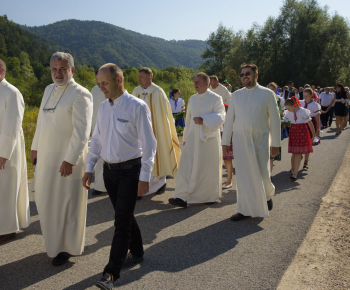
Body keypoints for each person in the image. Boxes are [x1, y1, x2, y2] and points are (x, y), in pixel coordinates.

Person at [82, 63, 157, 289]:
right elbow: (96, 140)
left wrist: (145, 176)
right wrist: (89, 166)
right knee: (123, 215)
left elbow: (150, 144)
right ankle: (137, 251)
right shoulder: (104, 108)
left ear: (119, 79)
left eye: (105, 83)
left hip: (130, 171)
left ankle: (110, 274)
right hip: (109, 171)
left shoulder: (137, 107)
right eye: (99, 84)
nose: (101, 87)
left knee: (120, 222)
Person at [30, 52, 93, 265]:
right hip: (46, 157)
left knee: (67, 204)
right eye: (54, 69)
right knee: (45, 200)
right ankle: (53, 243)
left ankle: (66, 249)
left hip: (67, 161)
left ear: (72, 70)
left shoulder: (81, 94)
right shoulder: (48, 89)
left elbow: (82, 132)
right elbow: (41, 122)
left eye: (62, 69)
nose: (58, 73)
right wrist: (34, 147)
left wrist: (71, 159)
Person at [222, 64, 281, 221]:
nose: (244, 77)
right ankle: (244, 209)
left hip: (260, 140)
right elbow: (229, 120)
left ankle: (267, 196)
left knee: (263, 173)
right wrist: (225, 142)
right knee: (243, 176)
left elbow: (275, 120)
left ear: (256, 74)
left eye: (247, 73)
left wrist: (276, 143)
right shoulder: (235, 95)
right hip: (241, 141)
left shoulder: (268, 94)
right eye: (242, 74)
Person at [169, 72, 225, 208]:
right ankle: (181, 196)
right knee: (186, 166)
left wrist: (204, 120)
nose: (195, 85)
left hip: (208, 140)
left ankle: (208, 196)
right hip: (193, 138)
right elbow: (188, 120)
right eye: (194, 82)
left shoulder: (216, 98)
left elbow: (221, 116)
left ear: (207, 83)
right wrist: (186, 136)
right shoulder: (192, 99)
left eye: (198, 82)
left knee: (206, 168)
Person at [132, 67, 180, 196]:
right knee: (141, 157)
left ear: (150, 77)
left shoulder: (158, 92)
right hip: (140, 131)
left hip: (156, 131)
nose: (139, 79)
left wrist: (163, 130)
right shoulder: (135, 91)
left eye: (141, 77)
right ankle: (143, 187)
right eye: (138, 77)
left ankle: (159, 184)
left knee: (159, 155)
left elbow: (165, 114)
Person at [0, 58, 30, 244]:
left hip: (6, 151)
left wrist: (4, 153)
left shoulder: (12, 92)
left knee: (6, 189)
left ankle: (8, 228)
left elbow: (12, 125)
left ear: (1, 70)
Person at [283, 96, 315, 181]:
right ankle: (293, 169)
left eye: (289, 108)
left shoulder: (303, 111)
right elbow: (284, 122)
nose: (288, 110)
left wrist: (314, 135)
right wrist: (282, 123)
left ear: (294, 105)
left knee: (298, 153)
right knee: (294, 152)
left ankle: (295, 174)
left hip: (302, 132)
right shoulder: (288, 113)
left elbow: (310, 123)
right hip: (293, 131)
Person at [90, 84, 108, 195]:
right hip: (95, 127)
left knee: (106, 158)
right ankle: (98, 185)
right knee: (97, 156)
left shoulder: (111, 90)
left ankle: (107, 185)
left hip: (107, 127)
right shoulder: (93, 90)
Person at [300, 88, 321, 171]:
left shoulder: (315, 105)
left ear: (311, 96)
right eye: (304, 96)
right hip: (302, 124)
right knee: (301, 142)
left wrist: (317, 130)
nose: (305, 98)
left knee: (308, 144)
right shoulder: (301, 102)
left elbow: (318, 118)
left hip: (311, 124)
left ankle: (305, 162)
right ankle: (299, 157)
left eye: (307, 96)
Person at [267, 82, 284, 176]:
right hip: (264, 129)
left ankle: (269, 175)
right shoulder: (264, 99)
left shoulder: (278, 100)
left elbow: (281, 113)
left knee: (270, 156)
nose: (271, 91)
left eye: (273, 89)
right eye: (269, 89)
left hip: (272, 129)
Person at [221, 103, 234, 189]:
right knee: (225, 160)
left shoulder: (228, 117)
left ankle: (229, 181)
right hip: (221, 136)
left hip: (227, 137)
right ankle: (229, 177)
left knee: (228, 160)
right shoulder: (221, 116)